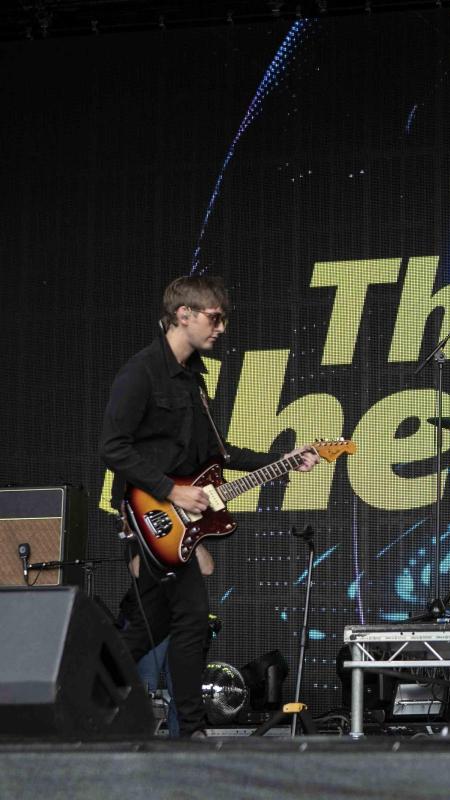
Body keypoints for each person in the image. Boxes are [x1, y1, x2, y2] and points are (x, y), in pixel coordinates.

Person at [99, 275, 318, 737]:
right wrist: (172, 491)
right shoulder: (140, 372)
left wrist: (281, 461)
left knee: (149, 627)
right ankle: (190, 730)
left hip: (179, 522)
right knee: (193, 619)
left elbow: (215, 455)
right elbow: (113, 448)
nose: (221, 328)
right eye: (214, 318)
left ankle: (82, 694)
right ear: (184, 315)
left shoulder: (195, 379)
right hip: (150, 516)